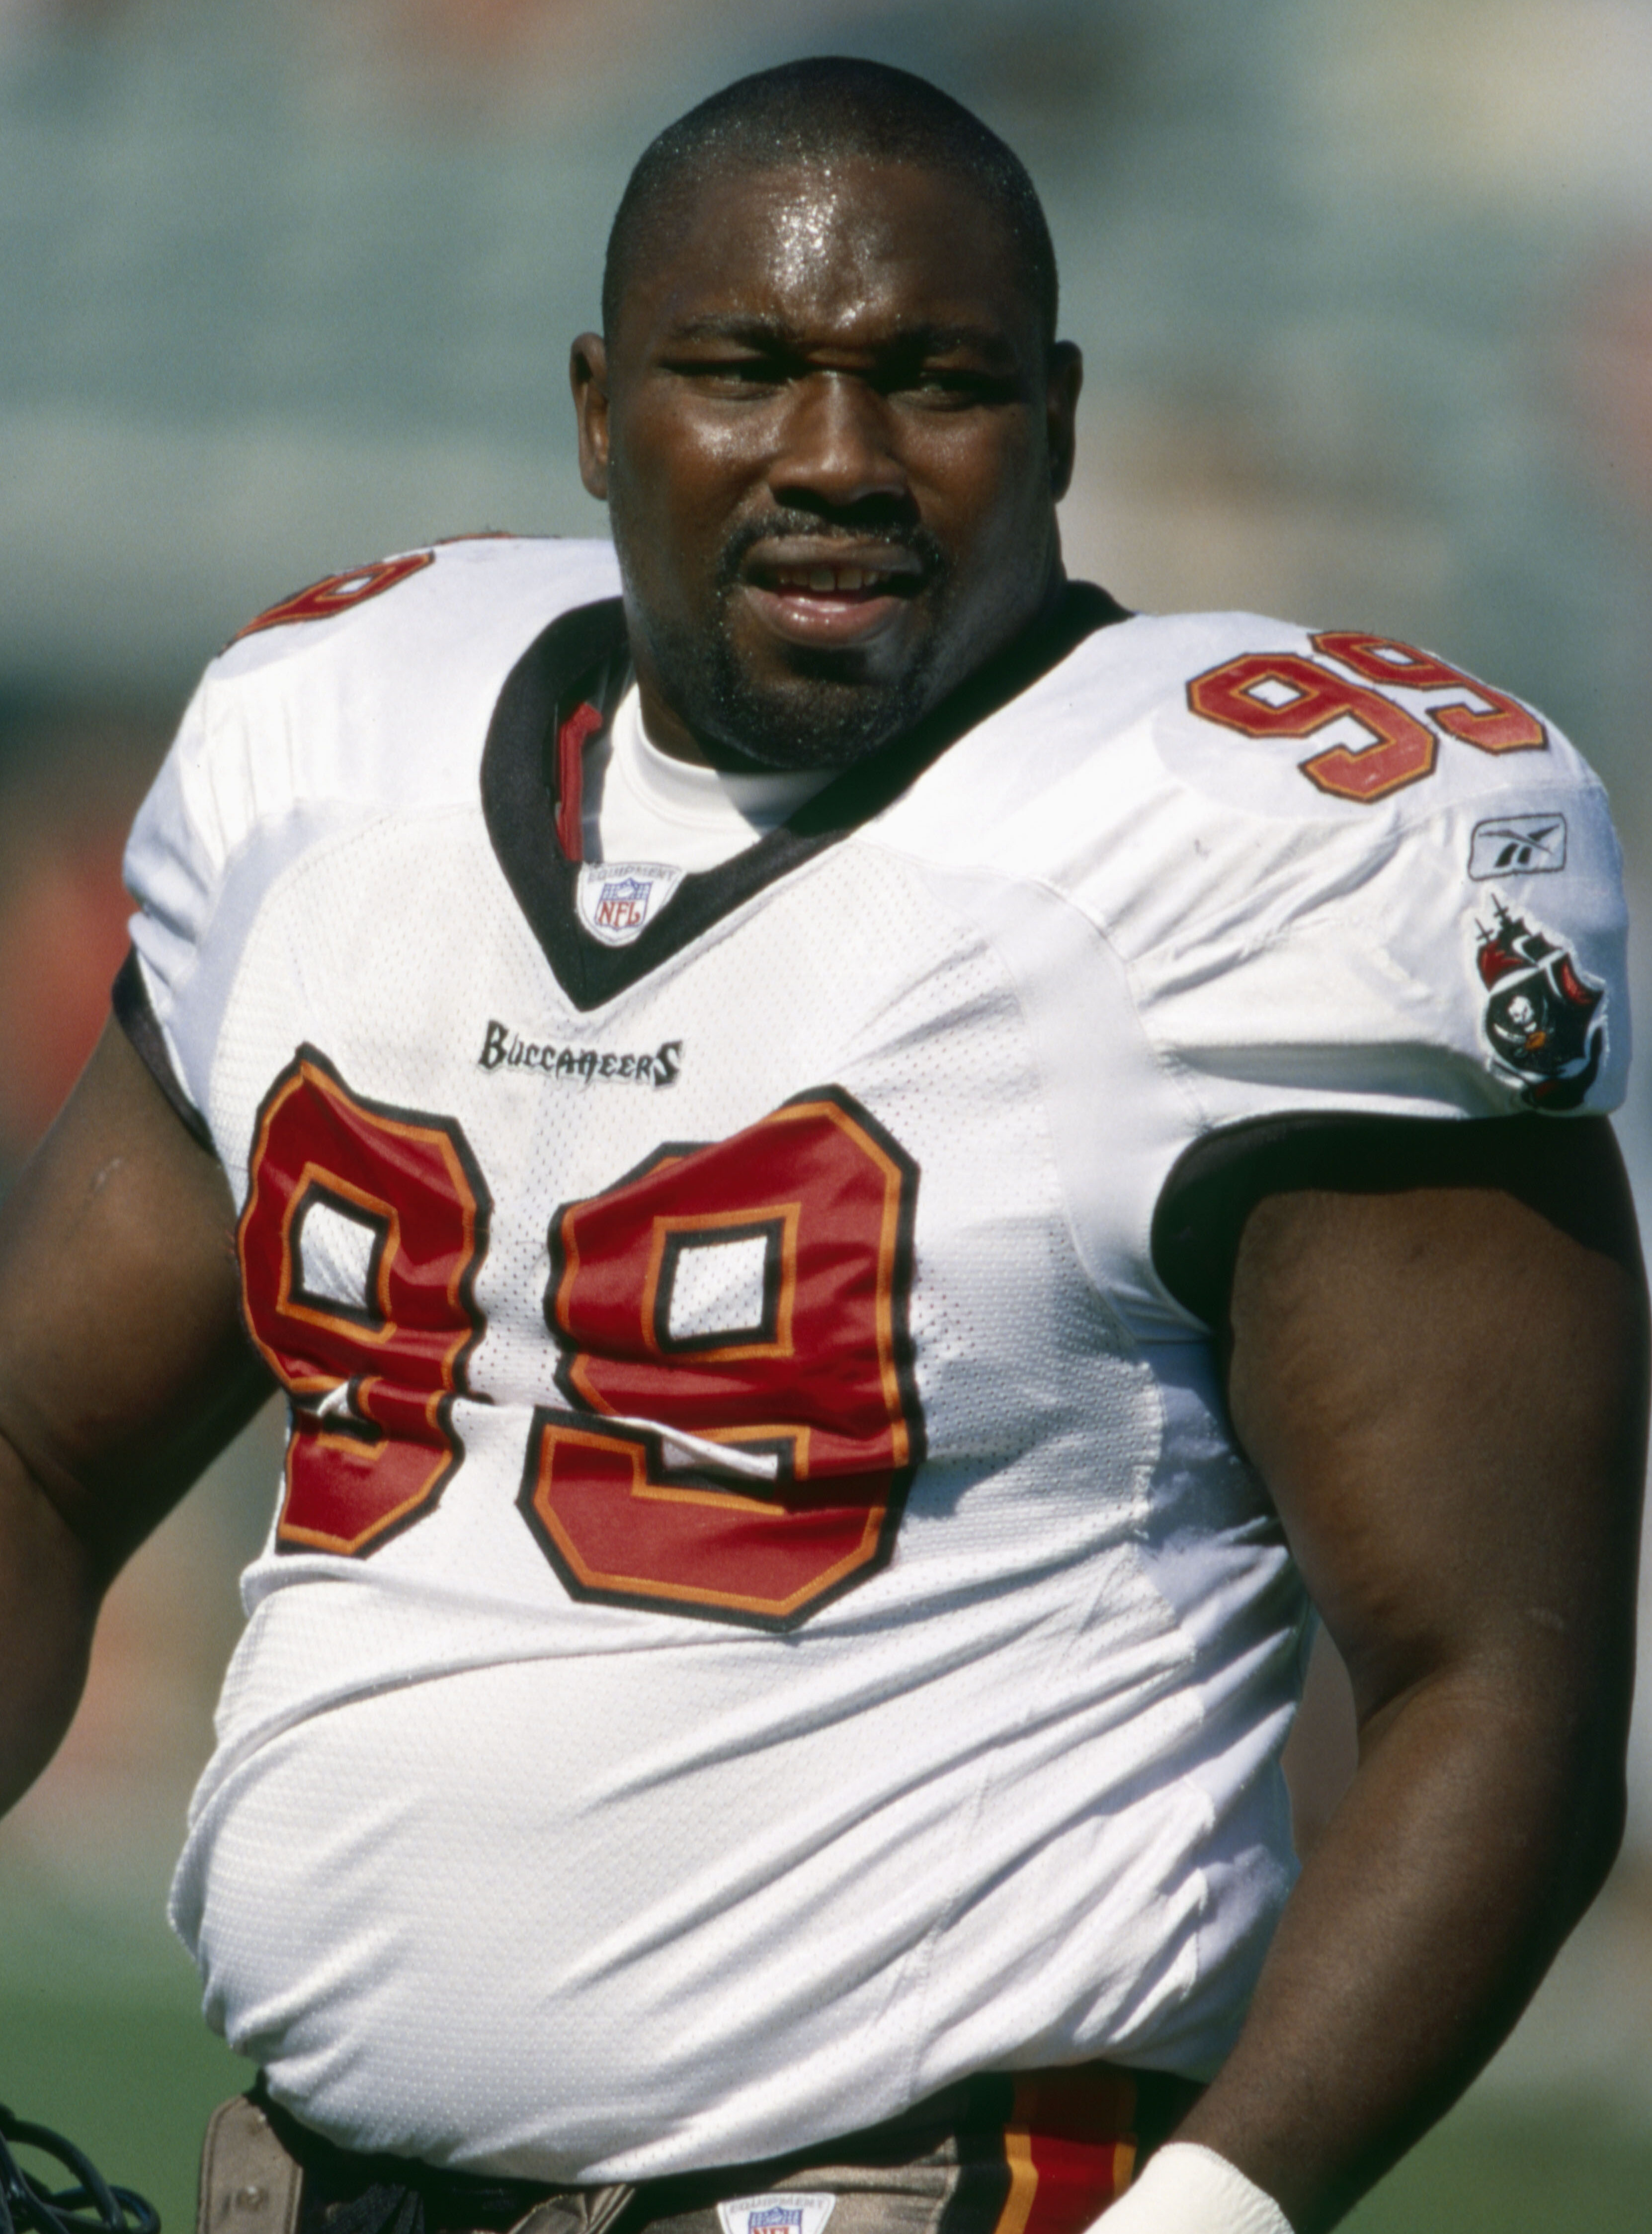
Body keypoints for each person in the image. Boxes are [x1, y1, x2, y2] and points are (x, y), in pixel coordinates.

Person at [0, 55, 1644, 2234]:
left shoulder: (1259, 864)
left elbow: (1499, 1676)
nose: (835, 459)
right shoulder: (330, 751)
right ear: (600, 409)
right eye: (746, 370)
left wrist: (1210, 2220)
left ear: (1055, 418)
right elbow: (34, 1431)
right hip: (308, 2183)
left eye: (933, 382)